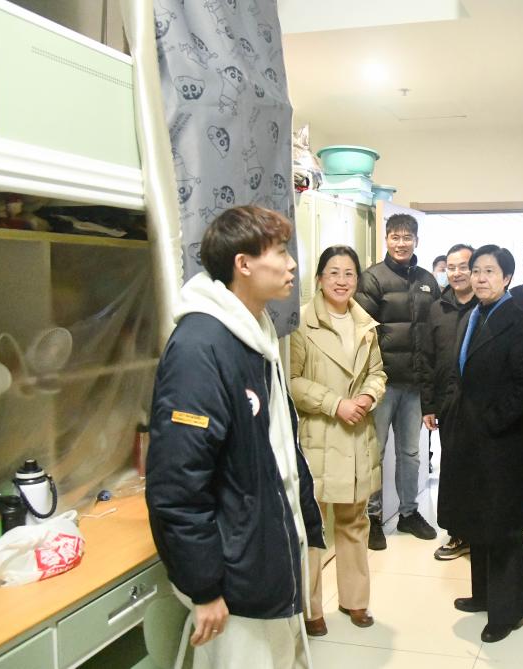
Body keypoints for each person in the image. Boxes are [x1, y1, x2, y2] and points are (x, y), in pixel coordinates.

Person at [146, 205, 325, 669]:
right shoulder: (201, 346)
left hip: (264, 555)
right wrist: (204, 588)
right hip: (234, 575)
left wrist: (308, 523)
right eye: (280, 252)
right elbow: (177, 485)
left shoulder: (254, 333)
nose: (291, 264)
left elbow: (279, 450)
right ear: (243, 264)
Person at [437, 245, 523, 642]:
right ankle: (482, 596)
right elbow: (459, 373)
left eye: (489, 271)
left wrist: (493, 421)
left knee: (503, 529)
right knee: (476, 520)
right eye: (476, 270)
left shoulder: (520, 320)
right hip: (469, 438)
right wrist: (451, 413)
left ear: (507, 278)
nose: (479, 278)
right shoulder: (472, 315)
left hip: (502, 444)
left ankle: (508, 613)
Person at [290, 245, 387, 637]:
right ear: (319, 279)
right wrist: (335, 404)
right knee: (313, 526)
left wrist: (367, 397)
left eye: (349, 273)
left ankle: (355, 600)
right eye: (333, 273)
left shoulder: (365, 324)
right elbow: (291, 381)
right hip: (320, 435)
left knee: (354, 522)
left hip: (357, 434)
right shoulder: (301, 323)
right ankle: (311, 608)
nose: (342, 281)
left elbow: (377, 372)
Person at [355, 213, 441, 549]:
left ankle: (408, 513)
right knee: (374, 452)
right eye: (395, 237)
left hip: (414, 384)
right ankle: (373, 518)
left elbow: (435, 329)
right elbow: (362, 331)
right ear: (386, 239)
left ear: (416, 240)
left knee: (410, 453)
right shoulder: (372, 278)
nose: (401, 243)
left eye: (407, 237)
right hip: (382, 383)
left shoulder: (427, 280)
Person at [422, 243, 479, 561]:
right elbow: (427, 359)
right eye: (451, 267)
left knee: (480, 470)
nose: (456, 273)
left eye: (463, 266)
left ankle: (481, 533)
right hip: (448, 404)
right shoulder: (437, 308)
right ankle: (458, 533)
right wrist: (428, 405)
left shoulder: (486, 307)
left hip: (482, 406)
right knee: (453, 470)